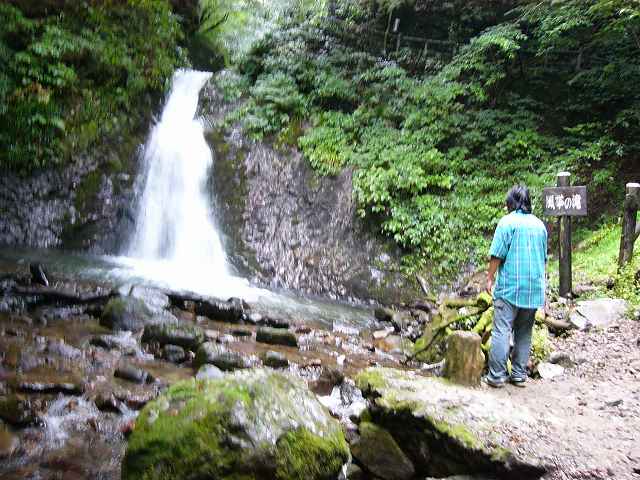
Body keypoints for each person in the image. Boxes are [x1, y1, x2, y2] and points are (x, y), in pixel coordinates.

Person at [484, 184, 547, 388]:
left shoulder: (507, 223)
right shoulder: (540, 225)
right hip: (533, 289)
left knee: (501, 330)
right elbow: (544, 258)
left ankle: (496, 376)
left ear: (511, 202)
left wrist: (490, 278)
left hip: (510, 287)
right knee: (524, 332)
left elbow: (497, 254)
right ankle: (519, 375)